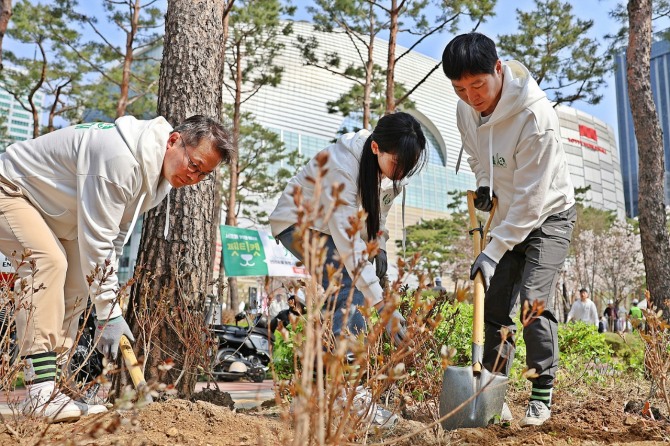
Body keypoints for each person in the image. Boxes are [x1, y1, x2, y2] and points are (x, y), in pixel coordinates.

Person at [0, 115, 232, 422]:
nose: (194, 178)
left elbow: (115, 238)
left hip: (54, 216)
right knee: (47, 262)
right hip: (11, 191)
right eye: (194, 165)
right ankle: (40, 392)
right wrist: (109, 313)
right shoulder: (120, 159)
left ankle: (54, 388)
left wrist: (105, 303)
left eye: (203, 174)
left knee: (81, 283)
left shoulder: (156, 177)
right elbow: (97, 243)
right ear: (174, 140)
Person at [442, 33, 576, 427]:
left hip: (549, 213)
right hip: (506, 214)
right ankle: (493, 392)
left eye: (477, 85)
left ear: (498, 70)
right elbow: (475, 153)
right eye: (460, 88)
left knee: (534, 302)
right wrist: (485, 183)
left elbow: (532, 201)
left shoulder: (536, 117)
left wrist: (493, 249)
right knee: (495, 307)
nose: (470, 96)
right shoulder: (465, 109)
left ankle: (540, 393)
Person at [269, 111, 427, 428]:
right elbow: (348, 244)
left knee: (347, 296)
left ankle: (323, 393)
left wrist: (379, 243)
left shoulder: (391, 169)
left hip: (333, 231)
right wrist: (382, 303)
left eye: (407, 168)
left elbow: (379, 210)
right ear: (375, 149)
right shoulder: (341, 166)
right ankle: (347, 399)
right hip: (300, 223)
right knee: (346, 287)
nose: (400, 174)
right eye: (397, 165)